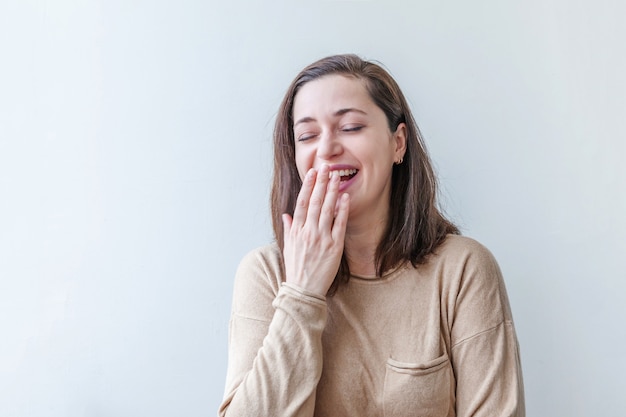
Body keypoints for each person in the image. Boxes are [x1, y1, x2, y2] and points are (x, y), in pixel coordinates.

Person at [218, 54, 525, 416]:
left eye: (350, 128)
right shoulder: (265, 274)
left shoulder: (462, 269)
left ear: (398, 143)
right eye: (307, 135)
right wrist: (302, 293)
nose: (327, 148)